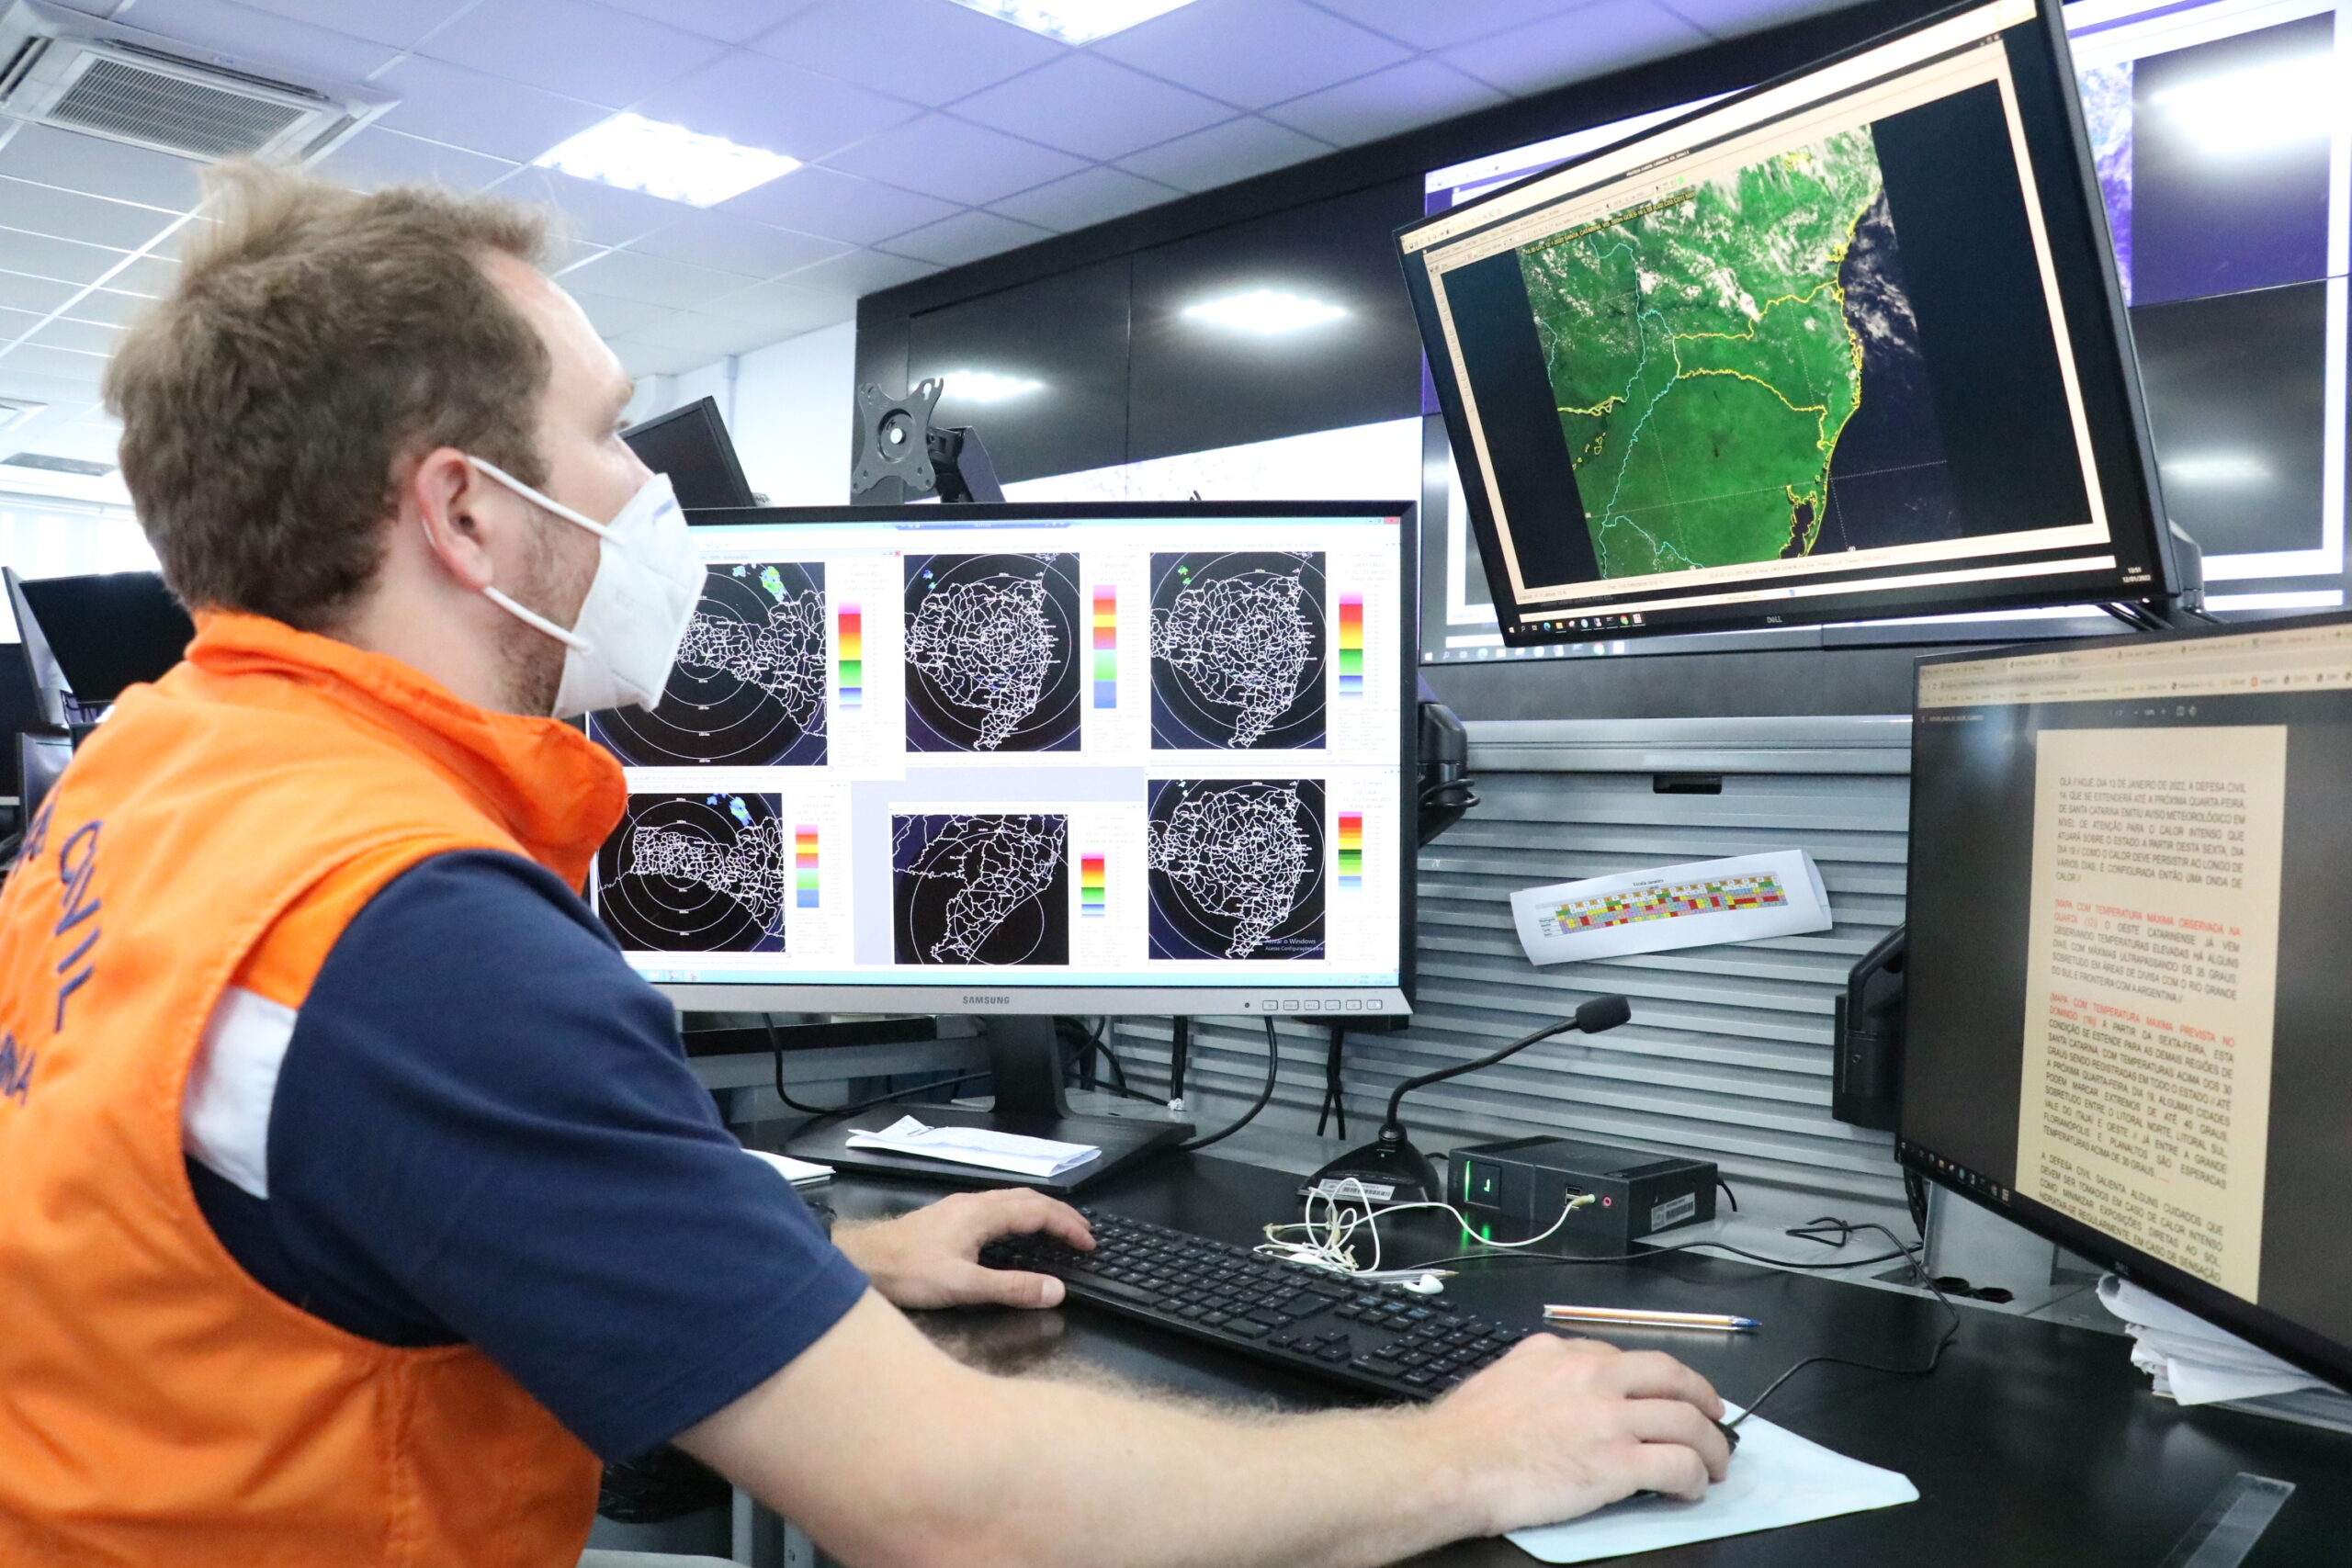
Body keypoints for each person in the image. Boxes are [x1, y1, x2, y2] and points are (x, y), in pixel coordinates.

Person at [0, 163, 1728, 1568]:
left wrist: (832, 1263)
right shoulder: (408, 930)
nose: (647, 489)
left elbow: (364, 1197)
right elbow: (955, 1511)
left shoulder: (161, 772)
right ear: (464, 512)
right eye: (611, 435)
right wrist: (1463, 1451)